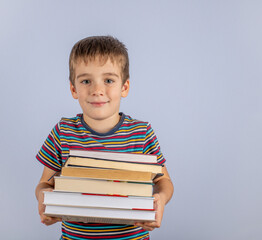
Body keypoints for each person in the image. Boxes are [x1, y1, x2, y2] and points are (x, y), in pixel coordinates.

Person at [35, 36, 174, 239]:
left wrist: (160, 199)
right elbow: (45, 184)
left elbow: (164, 181)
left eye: (108, 80)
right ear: (74, 88)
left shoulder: (142, 133)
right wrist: (43, 199)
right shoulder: (62, 132)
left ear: (124, 87)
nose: (97, 90)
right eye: (86, 81)